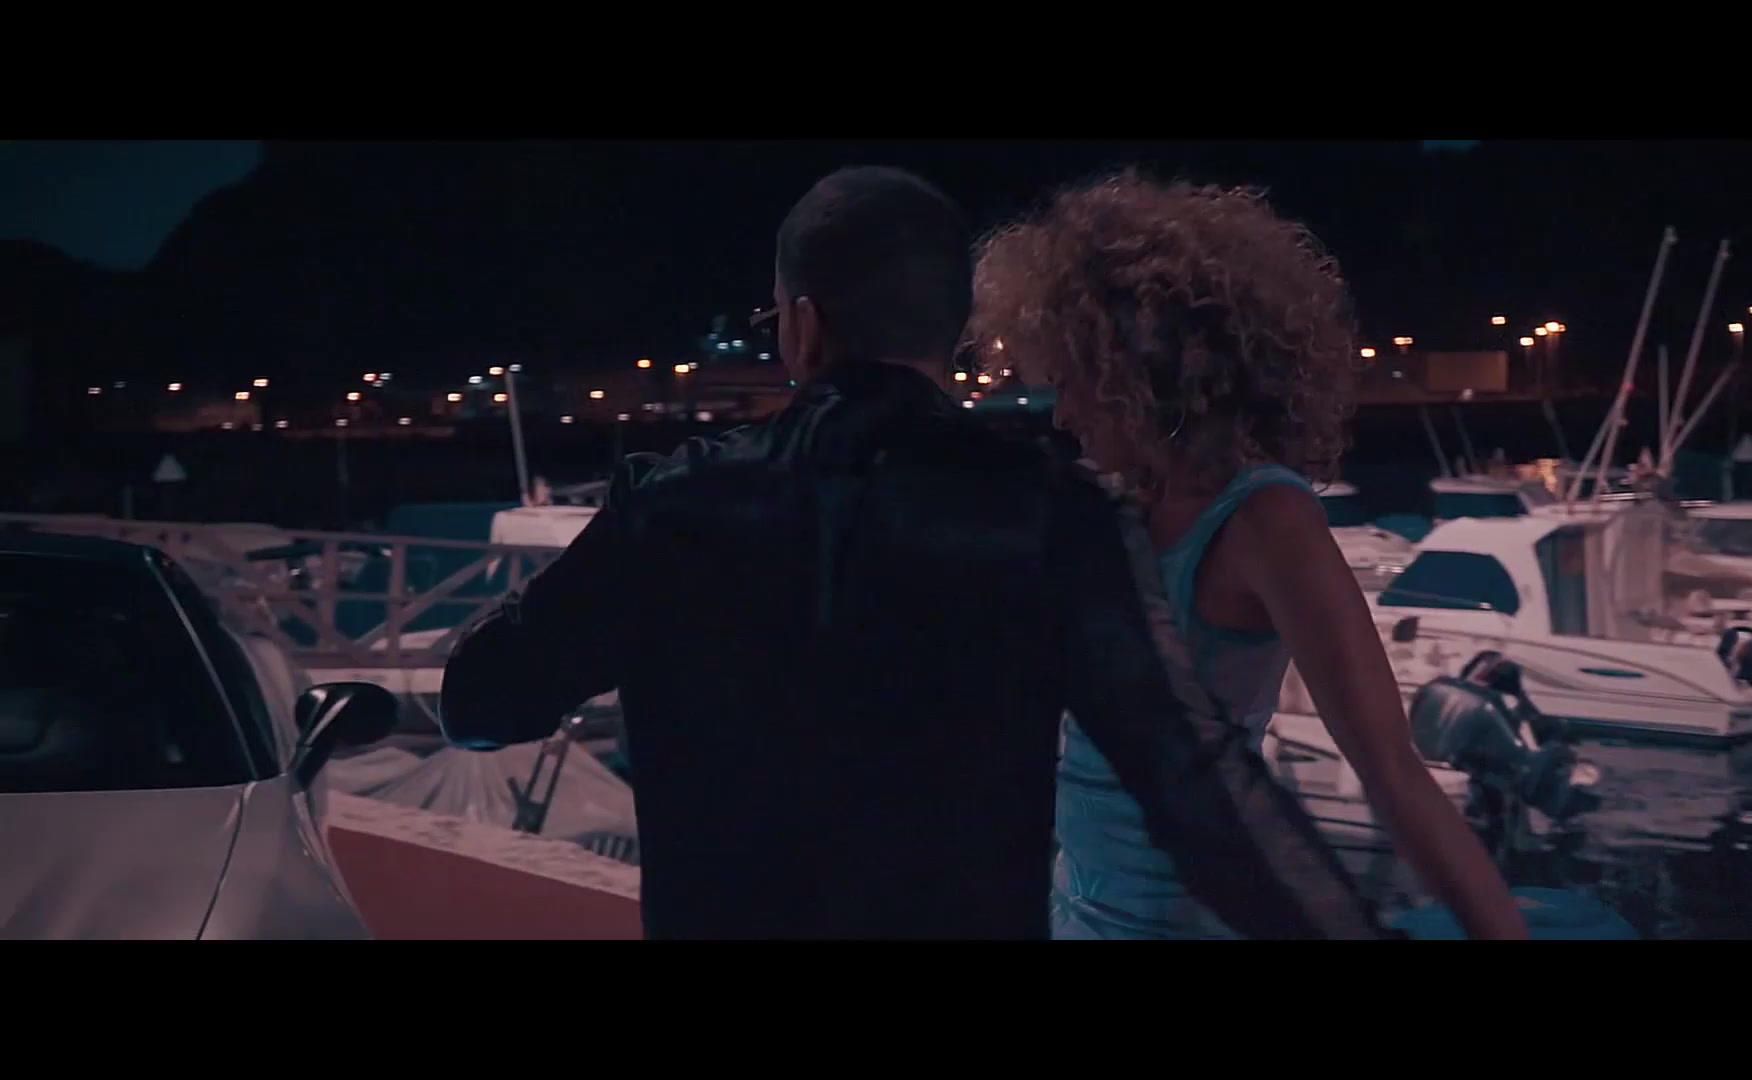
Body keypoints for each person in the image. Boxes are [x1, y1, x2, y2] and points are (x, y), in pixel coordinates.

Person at [438, 165, 1388, 939]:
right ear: (951, 331)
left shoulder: (671, 505)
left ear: (802, 326)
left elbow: (480, 701)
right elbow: (1197, 794)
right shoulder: (1050, 514)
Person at [970, 170, 1529, 940]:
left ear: (1136, 372)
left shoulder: (1265, 520)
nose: (1061, 415)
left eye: (1072, 384)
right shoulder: (1115, 506)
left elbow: (1392, 771)